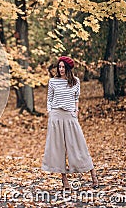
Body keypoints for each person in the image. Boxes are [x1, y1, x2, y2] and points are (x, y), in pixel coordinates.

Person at [42, 56, 99, 190]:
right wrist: (50, 112)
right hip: (56, 116)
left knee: (79, 145)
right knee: (59, 148)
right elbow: (49, 99)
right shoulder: (53, 82)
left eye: (63, 67)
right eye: (59, 67)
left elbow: (76, 98)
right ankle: (64, 180)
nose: (61, 69)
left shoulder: (76, 82)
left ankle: (93, 175)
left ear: (68, 68)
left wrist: (76, 111)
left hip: (70, 116)